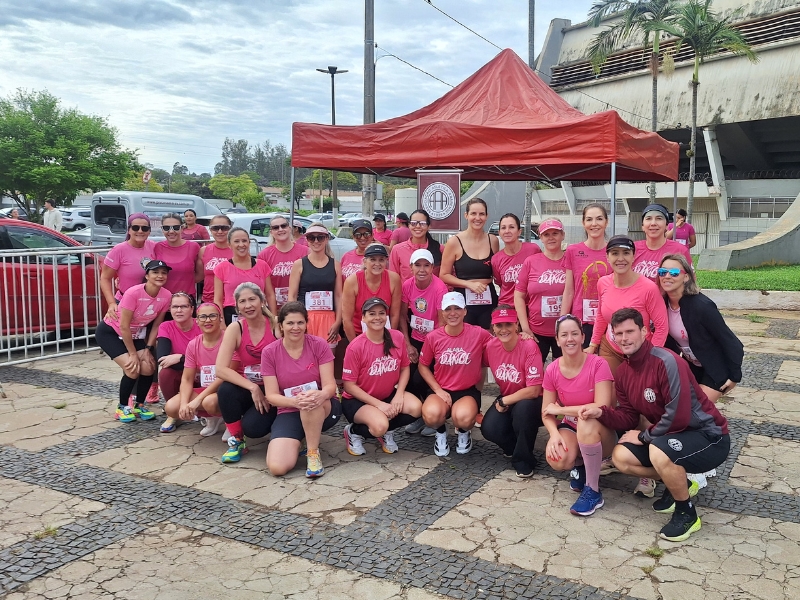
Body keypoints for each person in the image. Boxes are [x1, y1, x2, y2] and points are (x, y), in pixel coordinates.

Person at [579, 308, 731, 542]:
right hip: (669, 437)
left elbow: (678, 417)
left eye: (629, 331)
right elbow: (628, 417)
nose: (624, 338)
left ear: (644, 331)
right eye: (618, 333)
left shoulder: (668, 361)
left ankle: (687, 513)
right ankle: (682, 483)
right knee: (621, 457)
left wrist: (642, 437)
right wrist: (602, 412)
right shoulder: (623, 373)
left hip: (708, 437)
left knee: (658, 452)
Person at [542, 315, 616, 516]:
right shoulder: (552, 369)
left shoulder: (598, 364)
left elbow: (601, 406)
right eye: (564, 335)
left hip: (601, 429)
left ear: (583, 337)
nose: (570, 339)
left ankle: (593, 490)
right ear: (557, 340)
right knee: (558, 459)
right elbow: (546, 411)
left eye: (574, 333)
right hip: (572, 426)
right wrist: (554, 434)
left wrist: (561, 410)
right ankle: (581, 465)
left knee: (586, 420)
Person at [261, 301, 343, 477]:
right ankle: (300, 439)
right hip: (289, 408)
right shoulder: (269, 352)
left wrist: (320, 395)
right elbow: (271, 396)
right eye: (290, 323)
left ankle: (312, 453)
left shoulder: (319, 344)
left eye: (300, 322)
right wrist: (295, 401)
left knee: (310, 399)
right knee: (277, 468)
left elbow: (330, 385)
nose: (295, 327)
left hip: (322, 405)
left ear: (306, 324)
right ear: (281, 325)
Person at [341, 297, 422, 455]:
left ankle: (386, 432)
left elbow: (405, 368)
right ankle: (353, 432)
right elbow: (349, 386)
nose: (377, 317)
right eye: (372, 314)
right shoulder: (355, 347)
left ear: (386, 316)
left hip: (387, 394)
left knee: (416, 409)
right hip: (358, 401)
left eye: (381, 313)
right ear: (363, 318)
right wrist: (379, 405)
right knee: (379, 426)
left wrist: (398, 395)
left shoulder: (396, 337)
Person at [94, 260, 172, 423]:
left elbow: (157, 324)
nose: (160, 276)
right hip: (111, 333)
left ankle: (139, 405)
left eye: (163, 272)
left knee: (148, 366)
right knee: (132, 368)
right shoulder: (133, 293)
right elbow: (123, 326)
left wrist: (147, 348)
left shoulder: (166, 295)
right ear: (147, 275)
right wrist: (133, 354)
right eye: (155, 272)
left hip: (135, 334)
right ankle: (122, 407)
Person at [658, 254, 743, 403]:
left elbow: (731, 342)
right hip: (692, 365)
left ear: (686, 277)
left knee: (698, 411)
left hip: (716, 366)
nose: (667, 276)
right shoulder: (662, 304)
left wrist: (735, 376)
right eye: (662, 272)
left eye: (674, 273)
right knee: (676, 408)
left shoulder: (702, 306)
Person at [418, 292, 492, 456]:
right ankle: (441, 433)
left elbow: (500, 342)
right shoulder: (433, 337)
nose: (453, 313)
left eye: (457, 308)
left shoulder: (479, 333)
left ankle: (464, 433)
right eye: (448, 309)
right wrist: (438, 390)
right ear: (442, 312)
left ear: (465, 311)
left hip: (467, 391)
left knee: (463, 418)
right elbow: (423, 366)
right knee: (431, 416)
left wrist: (521, 335)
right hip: (441, 389)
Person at [215, 283, 279, 463]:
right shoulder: (236, 328)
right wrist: (252, 387)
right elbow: (220, 369)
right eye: (242, 302)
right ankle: (237, 440)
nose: (248, 305)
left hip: (275, 388)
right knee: (226, 390)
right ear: (237, 307)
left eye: (252, 299)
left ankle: (284, 426)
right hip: (250, 386)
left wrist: (270, 391)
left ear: (262, 301)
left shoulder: (276, 324)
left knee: (254, 429)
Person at [588, 235, 668, 375]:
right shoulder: (603, 283)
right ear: (607, 257)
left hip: (639, 350)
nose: (620, 259)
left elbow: (662, 327)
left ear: (633, 256)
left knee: (636, 394)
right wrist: (593, 344)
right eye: (615, 253)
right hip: (610, 348)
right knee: (608, 393)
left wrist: (651, 356)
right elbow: (601, 315)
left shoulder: (648, 288)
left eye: (626, 253)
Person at [481, 306, 544, 478]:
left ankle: (524, 460)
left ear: (516, 325)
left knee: (523, 412)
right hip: (509, 396)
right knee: (489, 429)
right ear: (493, 328)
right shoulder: (490, 346)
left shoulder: (529, 346)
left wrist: (504, 401)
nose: (503, 330)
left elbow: (534, 389)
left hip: (533, 400)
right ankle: (515, 447)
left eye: (508, 324)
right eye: (499, 325)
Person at [161, 302, 225, 434]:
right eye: (203, 317)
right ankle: (212, 418)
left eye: (212, 316)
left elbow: (225, 375)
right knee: (172, 407)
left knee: (209, 402)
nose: (208, 320)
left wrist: (197, 400)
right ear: (197, 321)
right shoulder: (194, 344)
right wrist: (184, 403)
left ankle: (231, 422)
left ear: (220, 318)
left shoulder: (228, 340)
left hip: (226, 388)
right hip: (205, 387)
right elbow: (187, 378)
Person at [399, 249, 447, 424]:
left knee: (424, 377)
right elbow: (403, 316)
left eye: (426, 265)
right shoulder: (407, 285)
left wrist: (429, 350)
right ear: (411, 267)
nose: (422, 270)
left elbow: (442, 323)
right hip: (415, 337)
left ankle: (431, 414)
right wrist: (407, 344)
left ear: (432, 267)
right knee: (408, 375)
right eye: (417, 265)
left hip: (433, 340)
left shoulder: (439, 288)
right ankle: (417, 412)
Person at [441, 198, 500, 330]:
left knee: (488, 341)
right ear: (466, 215)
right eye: (473, 213)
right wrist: (469, 284)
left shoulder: (493, 240)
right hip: (463, 303)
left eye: (481, 214)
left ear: (486, 216)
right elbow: (444, 275)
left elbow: (497, 271)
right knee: (467, 342)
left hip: (488, 300)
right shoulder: (454, 242)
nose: (477, 218)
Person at [514, 219, 567, 361]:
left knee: (564, 373)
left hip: (564, 330)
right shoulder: (531, 261)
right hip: (536, 331)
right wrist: (525, 327)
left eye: (555, 233)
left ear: (563, 235)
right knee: (535, 372)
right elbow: (519, 296)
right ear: (541, 237)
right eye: (546, 234)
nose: (551, 237)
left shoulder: (570, 260)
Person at [561, 203, 611, 346]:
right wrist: (562, 321)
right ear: (583, 223)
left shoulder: (613, 251)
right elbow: (569, 290)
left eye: (599, 219)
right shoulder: (573, 251)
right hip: (581, 321)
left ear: (606, 222)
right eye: (589, 219)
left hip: (608, 320)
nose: (594, 224)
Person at [288, 224, 342, 348]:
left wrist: (338, 321)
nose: (316, 241)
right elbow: (292, 296)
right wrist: (296, 321)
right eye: (312, 238)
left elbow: (339, 296)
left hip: (328, 319)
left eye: (320, 238)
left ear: (327, 239)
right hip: (305, 318)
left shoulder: (335, 265)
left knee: (327, 362)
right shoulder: (299, 264)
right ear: (307, 240)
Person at [213, 227, 276, 325]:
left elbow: (270, 295)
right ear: (229, 245)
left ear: (249, 243)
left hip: (259, 314)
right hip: (233, 316)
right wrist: (221, 324)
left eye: (244, 241)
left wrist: (274, 318)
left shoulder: (262, 265)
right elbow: (218, 299)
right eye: (236, 241)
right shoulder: (221, 268)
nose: (241, 245)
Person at [100, 213, 156, 322]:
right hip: (125, 302)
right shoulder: (118, 250)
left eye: (144, 228)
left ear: (149, 231)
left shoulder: (154, 247)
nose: (140, 231)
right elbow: (105, 278)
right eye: (135, 227)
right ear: (129, 230)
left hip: (149, 304)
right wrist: (111, 303)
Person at [342, 243, 401, 342]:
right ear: (365, 261)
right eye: (373, 259)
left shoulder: (394, 279)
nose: (377, 264)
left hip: (384, 333)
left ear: (386, 261)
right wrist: (355, 344)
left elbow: (395, 315)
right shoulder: (352, 281)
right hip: (359, 333)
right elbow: (347, 319)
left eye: (381, 260)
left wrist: (389, 339)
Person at [155, 292, 201, 411]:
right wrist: (191, 361)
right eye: (175, 307)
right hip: (182, 373)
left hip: (202, 373)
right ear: (170, 309)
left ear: (192, 309)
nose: (179, 310)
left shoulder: (202, 325)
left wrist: (180, 358)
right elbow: (162, 359)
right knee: (165, 373)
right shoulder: (165, 326)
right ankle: (174, 412)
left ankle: (205, 412)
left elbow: (209, 360)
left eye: (184, 306)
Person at [257, 214, 309, 309]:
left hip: (301, 307)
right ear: (271, 232)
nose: (280, 229)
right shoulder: (264, 255)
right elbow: (262, 286)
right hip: (275, 307)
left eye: (283, 226)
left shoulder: (305, 251)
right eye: (276, 227)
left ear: (289, 228)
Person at [491, 213, 541, 309]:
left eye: (511, 227)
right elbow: (500, 284)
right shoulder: (496, 259)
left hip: (530, 306)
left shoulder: (533, 250)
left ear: (519, 231)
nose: (507, 231)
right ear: (499, 232)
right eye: (503, 228)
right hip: (507, 307)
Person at [633, 204, 692, 281]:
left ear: (667, 226)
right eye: (648, 218)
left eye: (659, 218)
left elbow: (691, 285)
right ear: (643, 226)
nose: (653, 223)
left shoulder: (680, 251)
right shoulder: (631, 250)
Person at [154, 213, 202, 299]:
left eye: (176, 227)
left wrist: (186, 282)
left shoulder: (193, 247)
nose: (171, 231)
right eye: (166, 228)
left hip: (186, 300)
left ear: (182, 228)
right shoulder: (157, 247)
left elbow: (200, 274)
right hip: (162, 300)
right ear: (162, 229)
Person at [389, 209, 443, 282]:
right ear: (409, 225)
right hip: (405, 293)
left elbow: (446, 277)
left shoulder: (440, 249)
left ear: (429, 226)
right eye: (413, 223)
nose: (417, 226)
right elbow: (393, 279)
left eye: (422, 223)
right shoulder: (397, 250)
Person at [198, 215, 233, 304]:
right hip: (208, 301)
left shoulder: (236, 250)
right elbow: (199, 276)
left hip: (230, 302)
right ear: (210, 230)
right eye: (215, 228)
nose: (220, 231)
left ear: (230, 229)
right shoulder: (204, 250)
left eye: (224, 228)